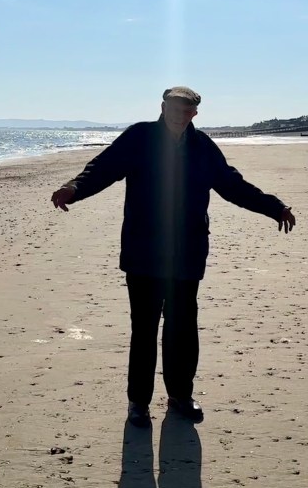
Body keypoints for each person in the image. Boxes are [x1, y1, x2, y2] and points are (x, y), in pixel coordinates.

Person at [51, 86, 295, 427]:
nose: (179, 115)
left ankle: (181, 395)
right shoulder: (140, 137)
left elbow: (232, 185)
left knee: (182, 328)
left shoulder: (202, 147)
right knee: (144, 329)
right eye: (174, 108)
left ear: (194, 113)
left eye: (186, 110)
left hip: (186, 252)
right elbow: (103, 167)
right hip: (144, 251)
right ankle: (138, 403)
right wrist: (74, 188)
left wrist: (274, 207)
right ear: (163, 107)